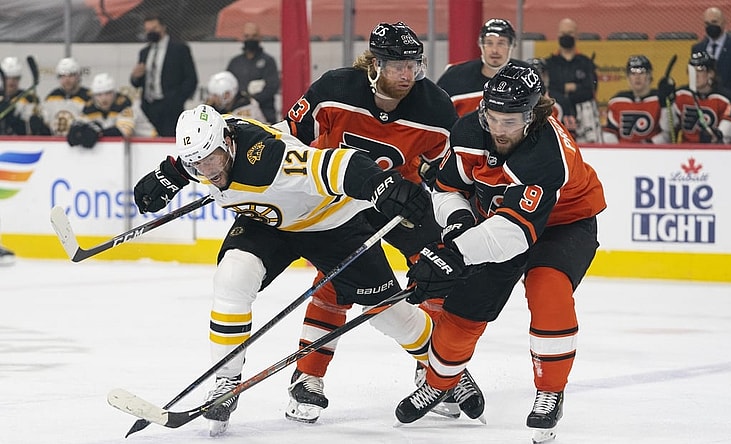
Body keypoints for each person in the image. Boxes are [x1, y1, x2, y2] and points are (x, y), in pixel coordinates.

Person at [132, 104, 434, 436]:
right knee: (232, 278)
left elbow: (334, 164)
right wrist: (168, 176)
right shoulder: (208, 152)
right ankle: (226, 382)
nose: (209, 171)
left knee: (388, 315)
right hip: (269, 224)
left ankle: (444, 367)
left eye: (213, 160)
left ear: (228, 143)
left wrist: (380, 184)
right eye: (198, 164)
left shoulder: (271, 162)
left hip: (329, 224)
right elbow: (192, 162)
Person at [274, 21, 485, 423]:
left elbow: (444, 172)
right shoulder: (333, 90)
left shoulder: (436, 108)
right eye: (397, 66)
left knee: (438, 270)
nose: (407, 75)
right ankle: (307, 377)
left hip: (398, 203)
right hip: (338, 202)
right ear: (374, 64)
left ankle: (435, 374)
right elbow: (289, 140)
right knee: (335, 280)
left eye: (413, 65)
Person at [394, 64, 606, 444]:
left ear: (532, 115)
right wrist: (458, 225)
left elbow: (514, 235)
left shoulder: (547, 150)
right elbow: (446, 189)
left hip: (563, 225)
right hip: (495, 224)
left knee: (548, 288)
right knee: (464, 307)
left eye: (510, 121)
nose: (499, 129)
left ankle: (549, 392)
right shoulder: (470, 131)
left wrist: (455, 254)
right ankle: (440, 382)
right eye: (493, 118)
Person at [437, 18, 527, 117]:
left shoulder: (527, 76)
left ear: (512, 45)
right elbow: (437, 115)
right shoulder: (454, 77)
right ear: (480, 45)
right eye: (489, 43)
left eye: (501, 43)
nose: (494, 50)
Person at [130, 14, 197, 137]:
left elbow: (191, 79)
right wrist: (136, 76)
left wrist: (177, 100)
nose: (151, 32)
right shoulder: (144, 52)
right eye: (148, 30)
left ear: (163, 27)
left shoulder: (179, 49)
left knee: (170, 142)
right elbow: (136, 83)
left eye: (154, 28)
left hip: (170, 107)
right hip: (148, 108)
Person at [545, 18, 601, 143]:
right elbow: (550, 89)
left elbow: (590, 90)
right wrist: (574, 87)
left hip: (584, 113)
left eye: (569, 33)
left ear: (576, 35)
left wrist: (565, 88)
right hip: (557, 110)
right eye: (563, 33)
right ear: (558, 35)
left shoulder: (586, 62)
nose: (566, 36)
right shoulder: (550, 63)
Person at [671, 51, 731, 144]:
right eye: (691, 70)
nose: (695, 75)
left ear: (711, 73)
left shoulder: (724, 99)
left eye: (699, 69)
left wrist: (717, 136)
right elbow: (669, 128)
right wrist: (665, 104)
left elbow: (728, 132)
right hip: (685, 152)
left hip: (714, 152)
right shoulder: (680, 95)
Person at [602, 55, 671, 144]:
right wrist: (618, 151)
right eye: (633, 73)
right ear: (628, 77)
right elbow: (609, 132)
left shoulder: (659, 99)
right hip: (623, 154)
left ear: (649, 75)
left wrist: (648, 145)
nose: (637, 77)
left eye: (641, 72)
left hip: (653, 154)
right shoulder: (617, 101)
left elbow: (667, 133)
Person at [226, 22, 280, 123]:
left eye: (254, 36)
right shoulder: (235, 62)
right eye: (247, 36)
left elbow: (272, 86)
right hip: (238, 114)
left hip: (264, 114)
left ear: (260, 37)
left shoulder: (268, 61)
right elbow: (228, 85)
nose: (250, 39)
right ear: (243, 38)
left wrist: (251, 100)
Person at [691, 7, 731, 95]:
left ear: (723, 23)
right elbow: (694, 78)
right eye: (707, 23)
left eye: (714, 22)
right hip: (704, 100)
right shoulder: (697, 48)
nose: (711, 26)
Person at [67, 73, 136, 149]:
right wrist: (77, 130)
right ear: (93, 96)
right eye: (99, 95)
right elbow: (80, 123)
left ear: (114, 93)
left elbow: (125, 131)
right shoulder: (89, 107)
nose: (104, 98)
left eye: (108, 93)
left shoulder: (124, 104)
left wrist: (100, 132)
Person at [41, 57, 91, 136]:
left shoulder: (88, 97)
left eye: (71, 75)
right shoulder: (52, 97)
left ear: (78, 76)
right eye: (63, 76)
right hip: (55, 143)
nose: (67, 80)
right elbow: (46, 121)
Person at [0, 56, 47, 136]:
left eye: (15, 78)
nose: (12, 82)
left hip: (20, 142)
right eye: (8, 78)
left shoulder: (29, 98)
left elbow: (33, 129)